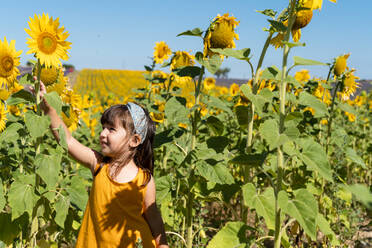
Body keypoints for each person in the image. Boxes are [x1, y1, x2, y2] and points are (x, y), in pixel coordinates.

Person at [38, 82, 169, 247]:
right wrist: (49, 109)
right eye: (103, 128)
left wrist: (162, 244)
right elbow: (68, 141)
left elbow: (153, 217)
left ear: (134, 140)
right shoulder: (99, 165)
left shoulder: (144, 180)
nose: (102, 134)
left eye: (111, 129)